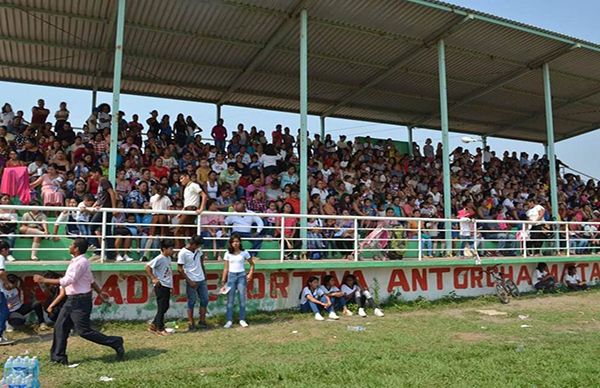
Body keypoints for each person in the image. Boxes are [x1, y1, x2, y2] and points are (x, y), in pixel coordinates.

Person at [33, 238, 125, 364]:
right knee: (60, 327)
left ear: (76, 249)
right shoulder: (78, 261)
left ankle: (115, 342)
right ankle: (58, 358)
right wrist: (100, 292)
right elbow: (90, 279)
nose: (69, 246)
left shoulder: (80, 262)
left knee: (83, 331)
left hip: (80, 301)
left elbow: (67, 281)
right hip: (72, 300)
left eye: (71, 245)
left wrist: (43, 280)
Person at [220, 234, 255, 329]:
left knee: (242, 298)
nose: (235, 243)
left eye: (237, 241)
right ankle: (229, 320)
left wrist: (250, 273)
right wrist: (223, 280)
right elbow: (226, 268)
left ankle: (242, 319)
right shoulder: (227, 253)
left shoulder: (244, 252)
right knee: (230, 300)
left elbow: (252, 264)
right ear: (231, 243)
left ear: (240, 242)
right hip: (231, 276)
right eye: (233, 242)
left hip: (241, 276)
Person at [177, 235, 209, 331]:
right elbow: (179, 269)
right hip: (192, 280)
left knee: (205, 300)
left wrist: (204, 274)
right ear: (194, 244)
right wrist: (189, 281)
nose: (199, 248)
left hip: (201, 279)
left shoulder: (198, 251)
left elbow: (201, 262)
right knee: (191, 301)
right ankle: (191, 323)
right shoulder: (182, 253)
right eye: (198, 245)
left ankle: (202, 321)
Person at [146, 239, 174, 336]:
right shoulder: (159, 258)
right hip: (161, 285)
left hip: (167, 285)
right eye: (170, 249)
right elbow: (148, 267)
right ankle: (160, 328)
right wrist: (153, 278)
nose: (172, 250)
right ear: (164, 249)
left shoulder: (168, 258)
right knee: (162, 307)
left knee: (165, 307)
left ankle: (154, 325)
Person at [175, 172, 207, 249]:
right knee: (190, 232)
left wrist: (201, 208)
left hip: (191, 209)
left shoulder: (194, 185)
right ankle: (191, 249)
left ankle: (181, 250)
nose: (181, 180)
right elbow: (187, 203)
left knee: (178, 231)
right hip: (187, 209)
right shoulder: (186, 188)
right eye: (180, 179)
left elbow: (204, 195)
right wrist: (181, 212)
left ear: (187, 177)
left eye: (182, 178)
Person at [0, 240, 15, 345]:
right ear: (4, 250)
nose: (7, 253)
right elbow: (1, 272)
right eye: (7, 251)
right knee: (4, 312)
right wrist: (7, 283)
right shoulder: (0, 257)